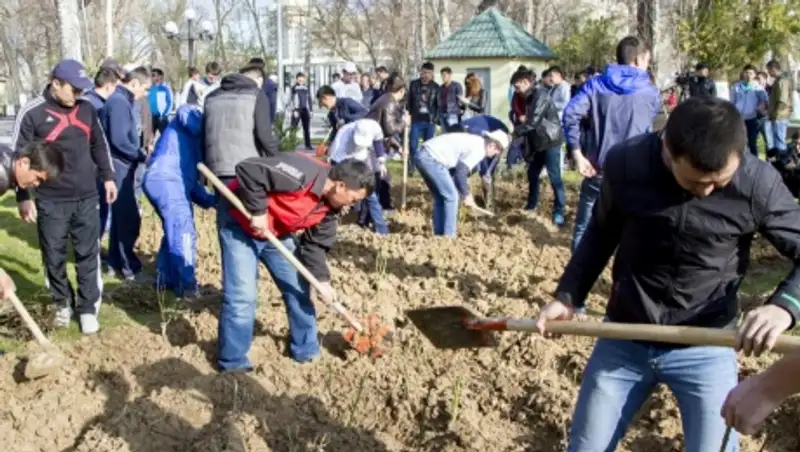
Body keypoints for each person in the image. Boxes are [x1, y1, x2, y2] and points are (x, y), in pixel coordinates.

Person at [536, 97, 800, 452]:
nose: (706, 191)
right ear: (666, 150)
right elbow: (600, 233)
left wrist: (785, 306)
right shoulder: (627, 163)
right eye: (695, 182)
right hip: (625, 335)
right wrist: (568, 296)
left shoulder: (756, 183)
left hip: (707, 342)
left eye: (718, 183)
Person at [217, 154, 374, 370]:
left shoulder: (330, 210)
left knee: (300, 289)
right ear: (340, 186)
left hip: (277, 232)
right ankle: (233, 364)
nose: (353, 206)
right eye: (354, 199)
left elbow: (315, 246)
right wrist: (259, 211)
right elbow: (248, 169)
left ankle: (306, 350)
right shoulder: (301, 173)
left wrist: (323, 281)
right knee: (243, 296)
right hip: (240, 223)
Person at [11, 59, 117, 334]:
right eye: (74, 89)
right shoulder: (32, 112)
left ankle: (87, 308)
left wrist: (108, 177)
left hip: (86, 194)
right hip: (50, 198)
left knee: (87, 252)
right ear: (56, 83)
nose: (79, 95)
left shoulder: (87, 109)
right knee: (53, 254)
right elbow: (17, 158)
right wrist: (23, 195)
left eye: (83, 89)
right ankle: (62, 303)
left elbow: (99, 144)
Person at [563, 36, 660, 251]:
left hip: (598, 168)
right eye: (647, 60)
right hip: (636, 173)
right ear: (638, 59)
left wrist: (577, 154)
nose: (647, 65)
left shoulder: (595, 85)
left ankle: (577, 279)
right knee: (631, 232)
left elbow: (570, 114)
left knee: (585, 227)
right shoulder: (651, 93)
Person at [142, 105, 215, 299]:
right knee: (183, 230)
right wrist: (210, 127)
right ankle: (188, 286)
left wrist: (214, 201)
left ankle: (165, 280)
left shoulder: (195, 149)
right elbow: (185, 112)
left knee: (173, 229)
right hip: (165, 178)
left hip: (172, 181)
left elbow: (192, 186)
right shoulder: (192, 117)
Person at [102, 66, 151, 282]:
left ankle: (114, 262)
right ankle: (129, 267)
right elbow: (120, 140)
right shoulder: (120, 103)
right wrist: (142, 156)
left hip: (120, 166)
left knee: (121, 219)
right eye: (145, 88)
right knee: (128, 218)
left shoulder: (119, 101)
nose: (146, 94)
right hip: (120, 167)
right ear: (134, 84)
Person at [414, 131, 508, 237]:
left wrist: (463, 193)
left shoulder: (476, 142)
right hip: (432, 159)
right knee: (452, 197)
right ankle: (450, 236)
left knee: (441, 197)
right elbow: (460, 173)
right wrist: (466, 195)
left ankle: (439, 236)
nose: (496, 154)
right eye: (498, 150)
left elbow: (454, 176)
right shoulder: (479, 149)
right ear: (492, 145)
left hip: (422, 156)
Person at [203, 61, 279, 184]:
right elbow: (264, 134)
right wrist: (278, 159)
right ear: (259, 79)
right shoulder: (257, 95)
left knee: (224, 202)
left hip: (217, 167)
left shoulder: (211, 97)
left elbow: (205, 133)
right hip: (247, 167)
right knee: (250, 203)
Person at [511, 67, 567, 227]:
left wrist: (513, 134)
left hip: (550, 141)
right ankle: (531, 205)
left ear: (526, 82)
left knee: (554, 177)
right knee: (532, 173)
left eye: (517, 86)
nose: (516, 90)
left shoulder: (540, 95)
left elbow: (533, 121)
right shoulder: (528, 97)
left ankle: (559, 211)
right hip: (538, 142)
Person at [329, 118, 389, 235]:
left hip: (362, 158)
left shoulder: (374, 126)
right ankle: (333, 226)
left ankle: (381, 230)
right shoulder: (342, 138)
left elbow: (378, 142)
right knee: (340, 197)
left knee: (370, 195)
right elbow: (336, 166)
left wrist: (381, 162)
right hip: (343, 162)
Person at [366, 72, 410, 212]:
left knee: (384, 177)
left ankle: (384, 206)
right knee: (378, 178)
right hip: (370, 144)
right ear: (401, 90)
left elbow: (384, 132)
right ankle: (372, 213)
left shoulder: (385, 99)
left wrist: (399, 148)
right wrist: (404, 122)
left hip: (374, 141)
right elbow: (390, 129)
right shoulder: (389, 102)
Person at [458, 115, 508, 210]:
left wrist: (487, 173)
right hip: (467, 131)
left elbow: (493, 158)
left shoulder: (498, 139)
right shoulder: (477, 137)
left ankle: (488, 204)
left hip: (475, 131)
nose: (498, 153)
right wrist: (486, 173)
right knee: (465, 172)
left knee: (484, 173)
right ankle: (466, 200)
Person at [407, 62, 440, 174]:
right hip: (416, 119)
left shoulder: (435, 87)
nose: (425, 75)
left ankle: (426, 167)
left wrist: (435, 119)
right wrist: (408, 114)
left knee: (428, 146)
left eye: (428, 73)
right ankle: (412, 165)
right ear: (420, 72)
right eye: (423, 72)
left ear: (432, 74)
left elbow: (438, 105)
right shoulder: (414, 84)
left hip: (429, 121)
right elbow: (409, 101)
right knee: (413, 144)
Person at [730, 64, 768, 157]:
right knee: (739, 143)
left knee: (752, 142)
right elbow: (732, 102)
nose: (748, 75)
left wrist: (761, 107)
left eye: (751, 73)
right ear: (743, 73)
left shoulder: (758, 88)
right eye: (746, 73)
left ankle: (754, 163)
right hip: (739, 119)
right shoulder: (736, 87)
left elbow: (765, 101)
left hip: (752, 119)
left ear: (755, 75)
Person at [765, 59, 795, 157]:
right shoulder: (778, 80)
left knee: (780, 143)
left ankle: (783, 164)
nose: (768, 73)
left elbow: (782, 101)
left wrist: (775, 114)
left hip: (780, 116)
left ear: (773, 69)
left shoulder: (782, 80)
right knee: (777, 142)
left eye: (768, 70)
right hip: (777, 116)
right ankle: (780, 162)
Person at [288, 72, 313, 150]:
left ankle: (308, 145)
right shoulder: (294, 88)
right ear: (297, 79)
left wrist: (311, 110)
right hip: (297, 110)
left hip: (305, 110)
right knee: (293, 128)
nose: (301, 81)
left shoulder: (306, 88)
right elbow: (291, 99)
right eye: (299, 79)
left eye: (302, 79)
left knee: (306, 128)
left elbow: (309, 99)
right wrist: (294, 110)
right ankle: (290, 144)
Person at [149, 68, 174, 135]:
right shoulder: (150, 88)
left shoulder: (165, 88)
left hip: (162, 118)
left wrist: (164, 115)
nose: (151, 77)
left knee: (165, 138)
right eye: (151, 75)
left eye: (153, 75)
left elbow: (170, 102)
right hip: (151, 117)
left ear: (160, 76)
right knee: (148, 139)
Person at [438, 67, 463, 132]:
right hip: (442, 114)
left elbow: (460, 99)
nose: (443, 77)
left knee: (453, 133)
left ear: (450, 75)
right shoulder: (441, 88)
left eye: (444, 75)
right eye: (442, 75)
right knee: (444, 135)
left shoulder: (456, 85)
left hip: (453, 113)